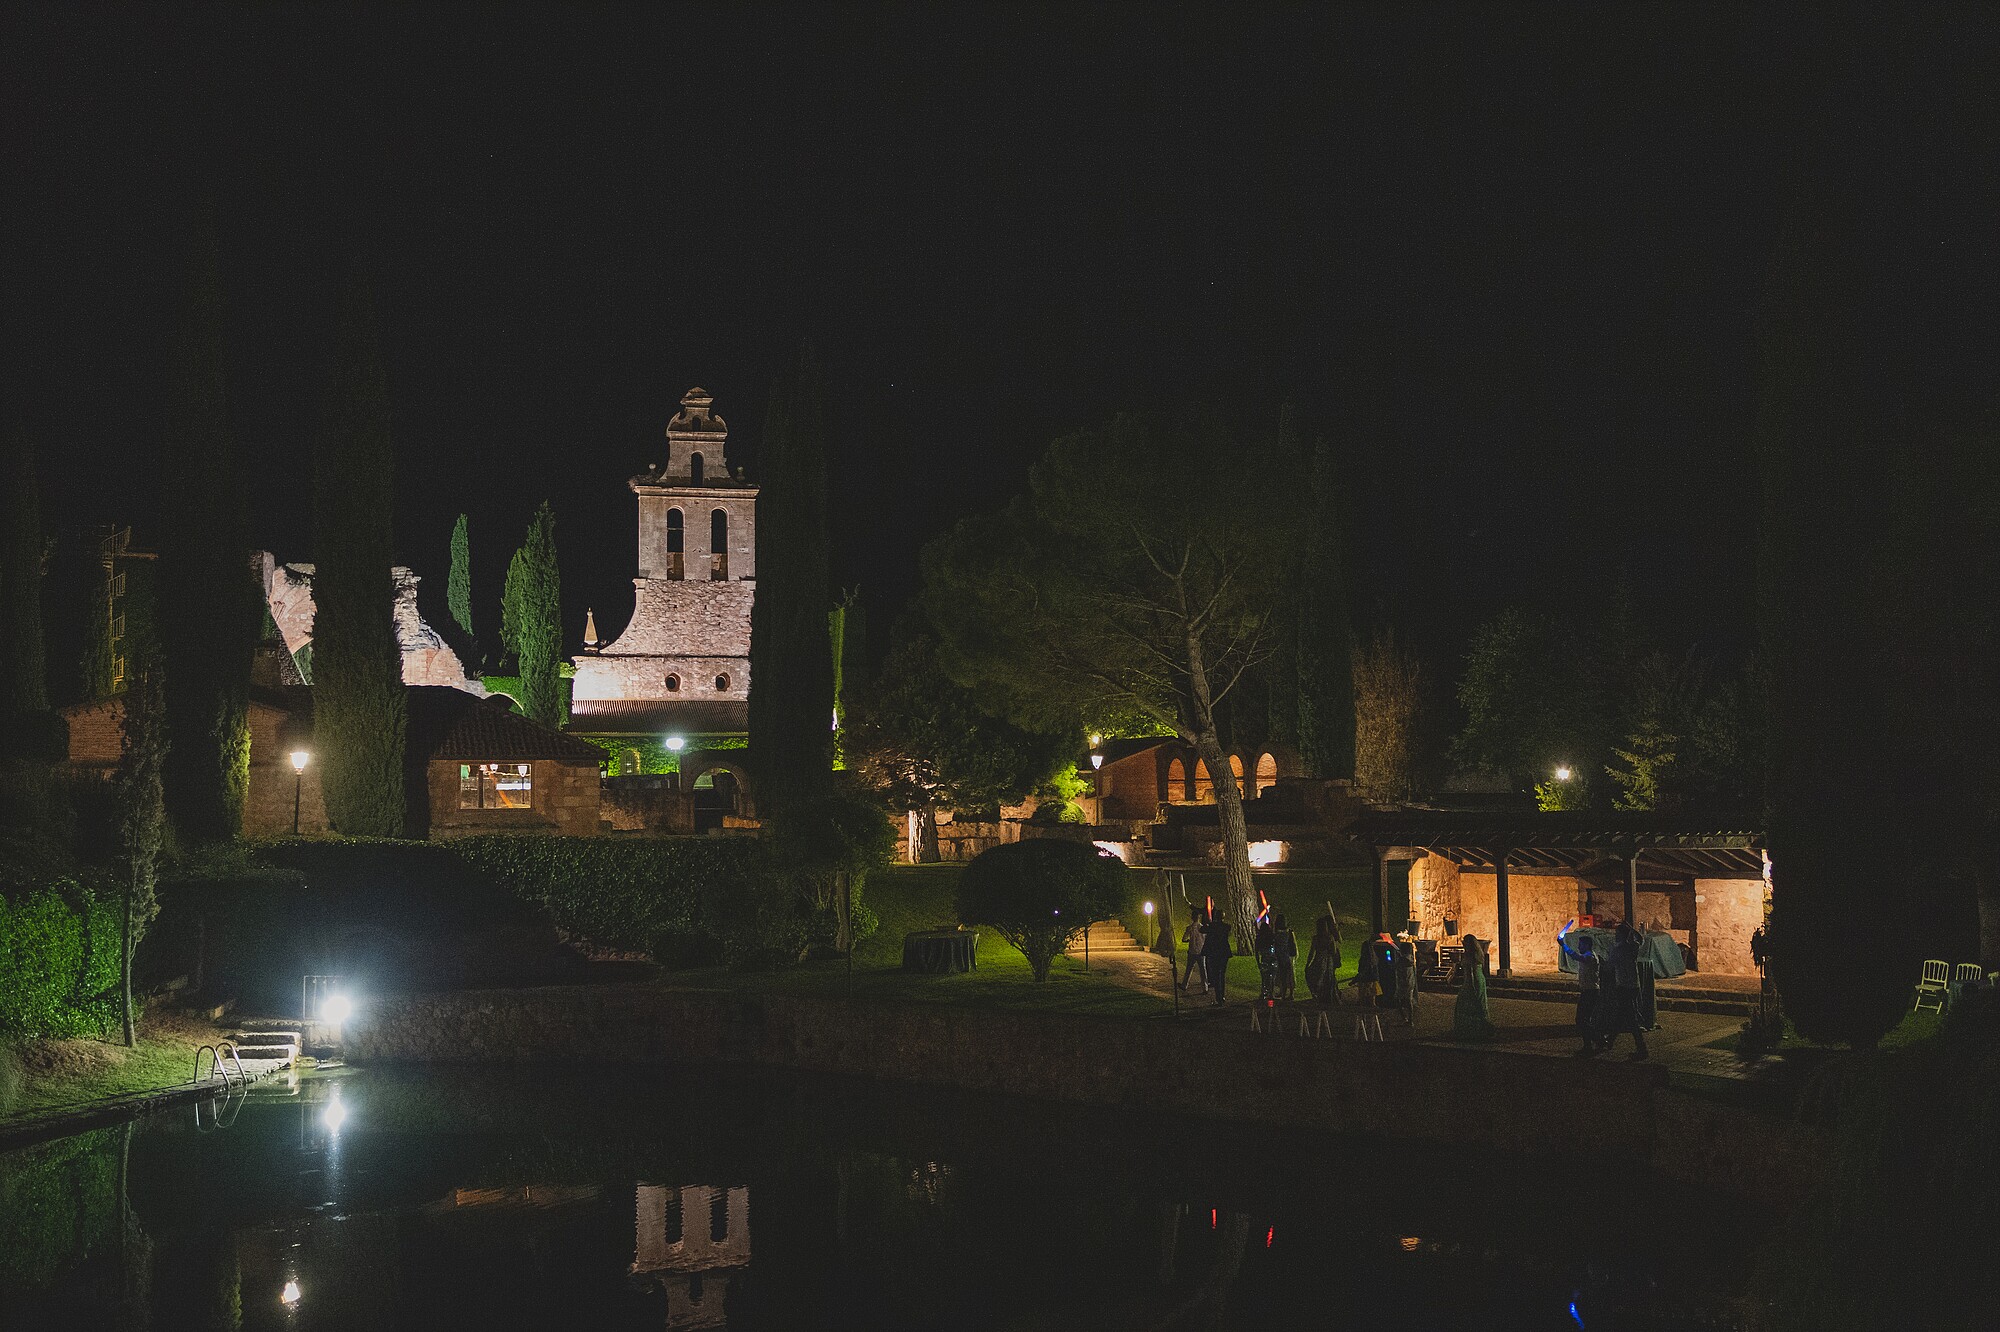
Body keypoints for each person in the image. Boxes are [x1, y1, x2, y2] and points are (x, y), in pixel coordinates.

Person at [1601, 921, 1650, 1060]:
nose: (1615, 936)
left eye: (1617, 933)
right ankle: (1610, 1041)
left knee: (1629, 1018)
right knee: (1622, 1014)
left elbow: (1609, 967)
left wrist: (1602, 963)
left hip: (1623, 986)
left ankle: (1641, 1049)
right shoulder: (1632, 947)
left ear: (1622, 936)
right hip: (1634, 985)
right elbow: (1641, 939)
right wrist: (1632, 929)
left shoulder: (1618, 950)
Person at [1558, 924, 1603, 1055]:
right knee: (1583, 1020)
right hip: (1587, 991)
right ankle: (1595, 1042)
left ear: (1587, 946)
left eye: (1581, 945)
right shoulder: (1588, 955)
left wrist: (1564, 945)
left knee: (1582, 1020)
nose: (1578, 947)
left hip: (1591, 992)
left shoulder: (1590, 956)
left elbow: (1577, 957)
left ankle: (1593, 1043)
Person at [1453, 932, 1494, 1040]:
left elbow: (1471, 972)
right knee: (1480, 1003)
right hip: (1480, 979)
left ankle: (1469, 1029)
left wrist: (1470, 985)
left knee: (1466, 1004)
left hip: (1472, 981)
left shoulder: (1469, 956)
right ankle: (1482, 1026)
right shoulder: (1479, 955)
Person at [1305, 915, 1342, 1006]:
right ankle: (1330, 997)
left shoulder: (1316, 938)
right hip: (1327, 960)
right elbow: (1333, 951)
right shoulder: (1329, 937)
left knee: (1316, 978)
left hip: (1318, 959)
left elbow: (1311, 952)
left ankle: (1319, 997)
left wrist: (1308, 963)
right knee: (1328, 979)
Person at [1202, 915, 1234, 1005]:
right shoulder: (1226, 926)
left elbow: (1202, 930)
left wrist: (1207, 923)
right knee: (1222, 974)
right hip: (1223, 953)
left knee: (1216, 975)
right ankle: (1221, 996)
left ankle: (1218, 997)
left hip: (1215, 952)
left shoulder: (1213, 926)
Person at [1181, 911, 1208, 993]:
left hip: (1192, 951)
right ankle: (1205, 988)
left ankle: (1184, 985)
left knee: (1189, 969)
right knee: (1203, 970)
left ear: (1192, 918)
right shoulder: (1203, 928)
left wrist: (1189, 940)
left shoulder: (1189, 928)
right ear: (1198, 918)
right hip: (1201, 951)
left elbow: (1184, 939)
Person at [1255, 917, 1281, 1001]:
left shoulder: (1259, 938)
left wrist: (1258, 962)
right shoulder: (1271, 936)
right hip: (1273, 959)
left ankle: (1263, 992)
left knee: (1264, 977)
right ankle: (1271, 993)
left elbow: (1256, 951)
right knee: (1272, 976)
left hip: (1264, 959)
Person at [1394, 939, 1418, 1026]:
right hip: (1410, 982)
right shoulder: (1410, 957)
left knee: (1399, 1000)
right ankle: (1409, 1020)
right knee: (1408, 1001)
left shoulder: (1403, 959)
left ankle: (1406, 1019)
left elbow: (1396, 966)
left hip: (1403, 983)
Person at [1275, 912, 1299, 1000]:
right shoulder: (1284, 932)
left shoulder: (1285, 933)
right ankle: (1284, 992)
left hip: (1286, 955)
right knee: (1284, 974)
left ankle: (1289, 993)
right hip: (1284, 955)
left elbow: (1292, 944)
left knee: (1287, 974)